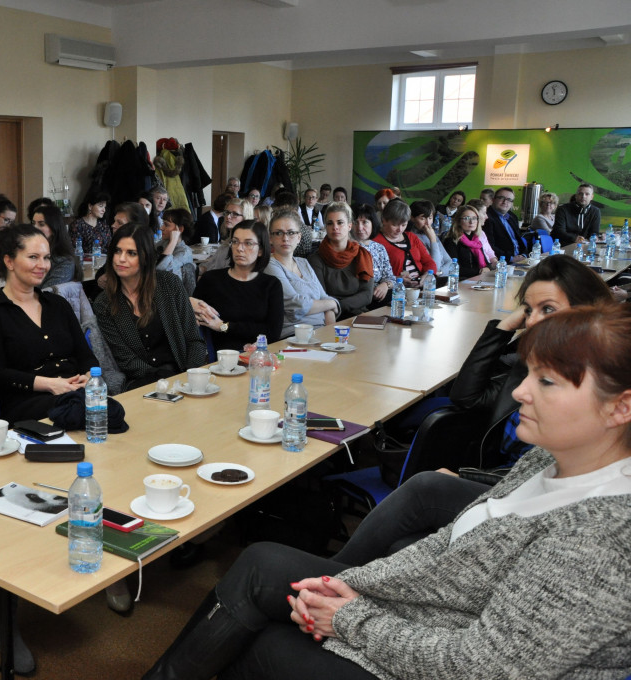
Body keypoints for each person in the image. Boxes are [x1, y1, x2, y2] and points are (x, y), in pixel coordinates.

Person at [143, 302, 631, 680]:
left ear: (620, 408)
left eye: (545, 381)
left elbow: (482, 667)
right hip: (426, 616)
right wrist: (356, 584)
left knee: (268, 644)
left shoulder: (600, 540)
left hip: (450, 657)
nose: (521, 391)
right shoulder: (554, 457)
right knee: (262, 563)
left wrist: (350, 617)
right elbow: (450, 544)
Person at [333, 254, 614, 567]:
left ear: (586, 310)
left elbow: (549, 473)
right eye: (528, 310)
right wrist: (505, 327)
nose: (533, 321)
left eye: (548, 309)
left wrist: (466, 475)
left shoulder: (597, 383)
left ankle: (335, 577)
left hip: (529, 496)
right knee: (403, 539)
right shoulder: (530, 363)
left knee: (425, 490)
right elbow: (466, 396)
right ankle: (340, 582)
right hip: (505, 482)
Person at [0, 224, 98, 423]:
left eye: (47, 257)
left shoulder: (58, 305)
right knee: (86, 411)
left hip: (75, 393)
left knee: (109, 409)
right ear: (9, 261)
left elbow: (85, 355)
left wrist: (88, 377)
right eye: (33, 257)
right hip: (27, 404)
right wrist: (49, 384)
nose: (43, 265)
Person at [93, 222, 206, 390]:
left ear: (145, 257)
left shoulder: (169, 284)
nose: (121, 259)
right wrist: (163, 381)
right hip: (141, 382)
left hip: (183, 375)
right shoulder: (104, 303)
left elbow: (194, 339)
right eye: (117, 251)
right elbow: (126, 359)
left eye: (131, 253)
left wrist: (190, 377)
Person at [193, 220, 283, 350]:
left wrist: (224, 326)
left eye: (248, 243)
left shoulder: (271, 285)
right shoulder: (211, 280)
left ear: (261, 251)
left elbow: (273, 332)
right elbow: (195, 319)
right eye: (235, 242)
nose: (239, 248)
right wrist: (190, 303)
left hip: (258, 355)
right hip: (219, 356)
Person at [264, 209, 338, 334]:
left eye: (291, 233)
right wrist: (331, 303)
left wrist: (331, 334)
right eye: (278, 233)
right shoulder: (270, 265)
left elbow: (324, 297)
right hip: (293, 335)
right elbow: (296, 307)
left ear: (299, 238)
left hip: (321, 331)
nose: (285, 238)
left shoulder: (303, 262)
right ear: (270, 238)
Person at [308, 202, 374, 319]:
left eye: (340, 222)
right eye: (330, 223)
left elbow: (367, 295)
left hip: (358, 315)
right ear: (326, 227)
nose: (335, 227)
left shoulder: (362, 255)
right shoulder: (316, 259)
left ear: (349, 226)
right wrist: (333, 307)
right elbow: (321, 297)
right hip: (328, 316)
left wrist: (338, 304)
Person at [372, 198, 436, 287]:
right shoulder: (376, 242)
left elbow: (429, 262)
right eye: (395, 225)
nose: (400, 229)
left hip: (420, 286)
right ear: (384, 220)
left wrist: (427, 275)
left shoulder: (411, 237)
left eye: (404, 225)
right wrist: (397, 279)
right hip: (397, 290)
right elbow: (376, 276)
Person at [350, 203, 393, 306]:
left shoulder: (379, 248)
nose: (360, 228)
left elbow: (390, 276)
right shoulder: (347, 247)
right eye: (356, 222)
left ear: (373, 224)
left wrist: (385, 285)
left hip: (380, 296)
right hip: (358, 298)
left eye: (365, 222)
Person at [31, 204, 82, 288]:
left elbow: (49, 294)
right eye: (33, 223)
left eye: (41, 224)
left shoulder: (64, 261)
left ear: (54, 229)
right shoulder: (28, 251)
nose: (34, 228)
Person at [441, 204, 495, 279]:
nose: (471, 222)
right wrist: (479, 271)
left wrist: (488, 268)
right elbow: (454, 268)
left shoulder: (476, 240)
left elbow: (486, 263)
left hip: (479, 278)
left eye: (474, 218)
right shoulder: (451, 240)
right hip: (461, 280)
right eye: (466, 218)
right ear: (458, 221)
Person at [156, 208, 197, 296]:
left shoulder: (185, 252)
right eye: (163, 223)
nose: (161, 228)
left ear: (180, 229)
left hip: (173, 297)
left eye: (166, 225)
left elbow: (162, 269)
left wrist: (173, 241)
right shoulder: (162, 243)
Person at [483, 187, 528, 261]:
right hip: (502, 262)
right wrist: (511, 258)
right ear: (493, 199)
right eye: (501, 198)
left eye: (509, 200)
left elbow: (518, 240)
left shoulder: (512, 217)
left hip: (519, 259)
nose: (505, 202)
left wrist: (523, 255)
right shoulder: (486, 217)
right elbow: (489, 246)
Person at [408, 199, 452, 272]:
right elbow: (435, 266)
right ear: (412, 218)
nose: (427, 223)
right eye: (422, 218)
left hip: (441, 278)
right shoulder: (412, 238)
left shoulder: (431, 233)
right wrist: (433, 240)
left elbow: (449, 261)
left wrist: (440, 273)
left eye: (430, 218)